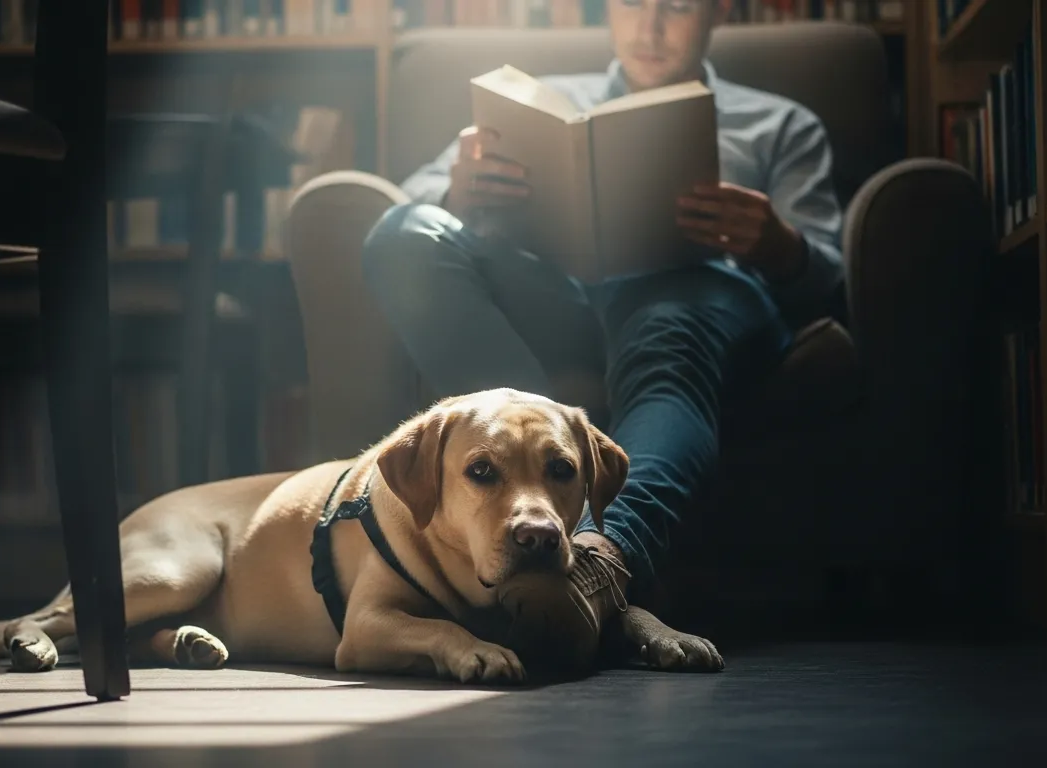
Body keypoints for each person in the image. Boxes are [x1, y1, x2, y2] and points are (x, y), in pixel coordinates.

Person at [359, 0, 846, 647]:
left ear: (715, 14)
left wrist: (778, 243)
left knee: (670, 335)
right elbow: (413, 196)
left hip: (694, 294)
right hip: (562, 295)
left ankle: (600, 567)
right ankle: (522, 493)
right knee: (402, 233)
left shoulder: (781, 124)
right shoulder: (542, 102)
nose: (649, 27)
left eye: (673, 8)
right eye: (633, 4)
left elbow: (834, 277)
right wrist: (461, 190)